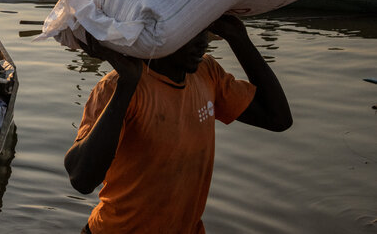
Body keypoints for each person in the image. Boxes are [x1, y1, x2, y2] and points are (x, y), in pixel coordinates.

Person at [65, 15, 292, 233]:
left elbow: (277, 118)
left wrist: (239, 38)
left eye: (203, 30)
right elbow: (81, 180)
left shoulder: (207, 73)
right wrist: (127, 85)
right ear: (157, 33)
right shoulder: (117, 87)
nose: (203, 42)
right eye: (190, 32)